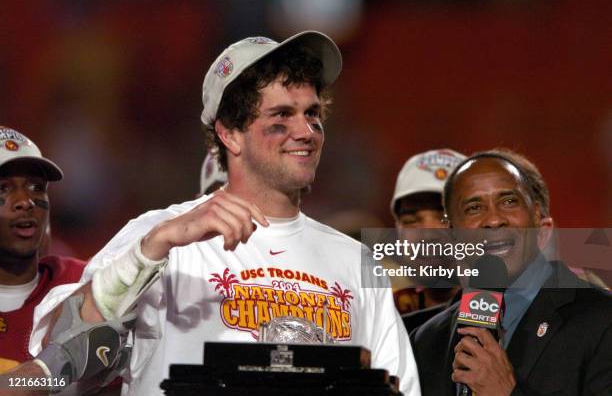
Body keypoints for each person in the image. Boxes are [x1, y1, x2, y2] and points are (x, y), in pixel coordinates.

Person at [29, 32, 420, 396]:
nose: (306, 132)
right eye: (282, 117)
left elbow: (400, 387)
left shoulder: (355, 260)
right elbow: (60, 362)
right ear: (229, 132)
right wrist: (152, 250)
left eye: (312, 114)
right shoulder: (161, 238)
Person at [411, 148, 612, 396]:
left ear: (540, 223)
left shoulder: (602, 320)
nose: (494, 220)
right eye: (474, 207)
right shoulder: (427, 341)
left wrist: (509, 393)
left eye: (508, 201)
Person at [0, 127, 86, 374]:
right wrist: (48, 375)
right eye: (3, 188)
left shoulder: (79, 286)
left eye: (37, 188)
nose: (25, 201)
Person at [388, 149, 465, 327]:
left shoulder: (515, 312)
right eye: (411, 221)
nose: (427, 234)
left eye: (445, 217)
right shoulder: (381, 318)